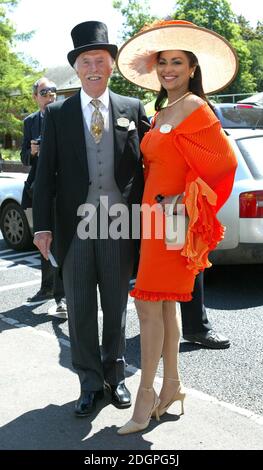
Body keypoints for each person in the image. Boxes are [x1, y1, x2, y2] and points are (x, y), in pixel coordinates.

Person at [116, 19, 238, 434]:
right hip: (156, 221)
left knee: (148, 305)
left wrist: (183, 201)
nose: (168, 68)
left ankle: (145, 396)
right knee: (164, 305)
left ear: (191, 69)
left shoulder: (194, 107)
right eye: (163, 62)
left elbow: (224, 165)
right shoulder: (164, 108)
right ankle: (173, 387)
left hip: (171, 220)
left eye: (177, 63)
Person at [32, 21, 148, 416]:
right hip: (75, 227)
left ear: (111, 65)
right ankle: (89, 382)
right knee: (80, 308)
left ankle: (116, 377)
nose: (93, 67)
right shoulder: (58, 114)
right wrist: (42, 227)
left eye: (100, 59)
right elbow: (45, 175)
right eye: (86, 61)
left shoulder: (132, 108)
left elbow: (150, 165)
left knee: (116, 305)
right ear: (77, 68)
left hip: (119, 224)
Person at [20, 77, 66, 314]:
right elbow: (23, 157)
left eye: (54, 91)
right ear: (35, 97)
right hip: (37, 191)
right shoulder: (30, 122)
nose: (50, 95)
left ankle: (62, 296)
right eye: (45, 92)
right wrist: (32, 151)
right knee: (42, 240)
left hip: (61, 190)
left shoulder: (65, 116)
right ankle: (46, 287)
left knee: (58, 241)